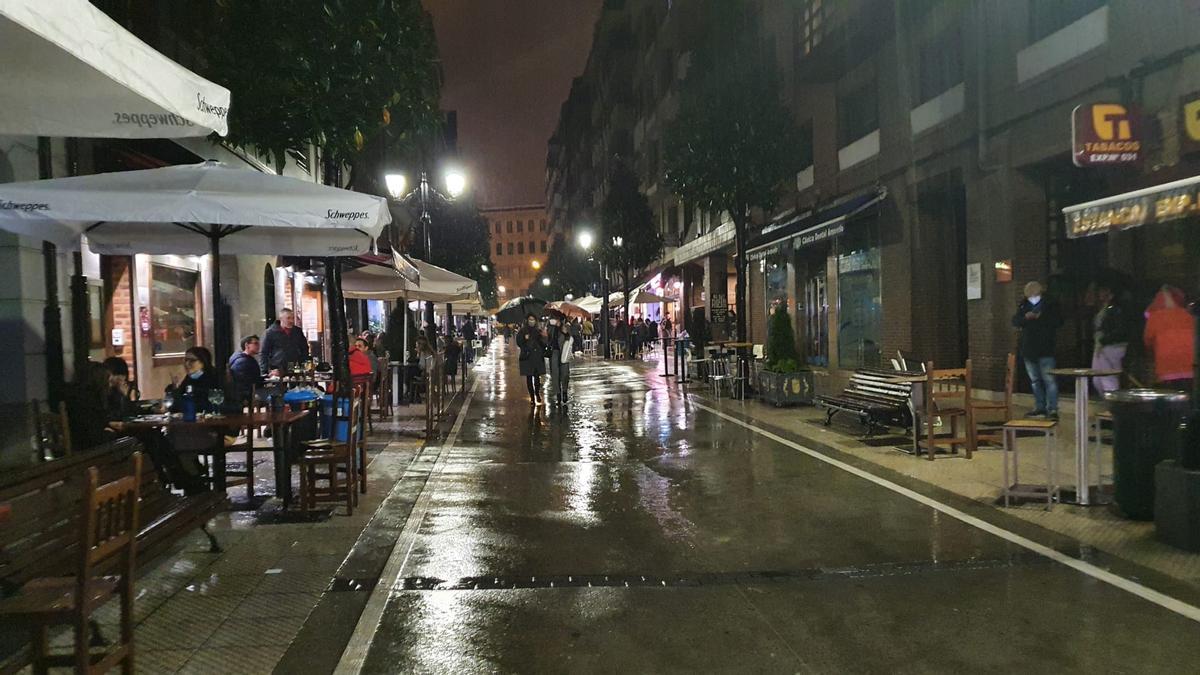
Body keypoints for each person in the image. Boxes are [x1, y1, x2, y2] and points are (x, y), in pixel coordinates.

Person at [1012, 280, 1061, 419]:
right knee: (1035, 380)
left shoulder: (1051, 305)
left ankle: (1052, 408)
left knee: (1049, 380)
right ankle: (1040, 406)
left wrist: (1041, 318)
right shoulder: (1024, 305)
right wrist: (1026, 318)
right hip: (1029, 348)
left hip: (1046, 348)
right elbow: (1015, 320)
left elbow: (1058, 321)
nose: (1032, 298)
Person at [1144, 285, 1195, 392]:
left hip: (1167, 368)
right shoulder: (1189, 315)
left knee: (1171, 401)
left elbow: (1148, 340)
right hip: (1191, 367)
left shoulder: (1154, 317)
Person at [1090, 281, 1129, 395]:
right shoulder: (1105, 308)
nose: (1100, 294)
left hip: (1110, 345)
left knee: (1108, 376)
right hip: (1101, 345)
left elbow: (1119, 329)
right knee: (1097, 378)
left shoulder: (1116, 310)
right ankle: (1108, 401)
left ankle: (1112, 403)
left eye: (1103, 291)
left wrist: (1104, 340)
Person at [261, 308, 310, 375]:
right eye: (288, 318)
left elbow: (304, 348)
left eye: (292, 318)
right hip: (277, 368)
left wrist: (304, 364)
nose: (291, 321)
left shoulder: (297, 331)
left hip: (296, 367)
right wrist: (265, 371)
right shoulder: (270, 332)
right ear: (281, 318)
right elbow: (264, 352)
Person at [516, 315, 548, 405]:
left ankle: (537, 393)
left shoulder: (539, 330)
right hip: (527, 356)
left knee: (537, 377)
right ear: (527, 320)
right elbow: (518, 342)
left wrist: (544, 336)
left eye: (533, 319)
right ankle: (532, 397)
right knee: (529, 378)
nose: (531, 321)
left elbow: (544, 344)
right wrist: (524, 339)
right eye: (530, 319)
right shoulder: (523, 331)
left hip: (537, 356)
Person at [228, 335, 264, 403]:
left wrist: (266, 377)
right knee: (277, 392)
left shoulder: (245, 359)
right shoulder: (243, 362)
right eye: (256, 343)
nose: (259, 346)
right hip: (247, 394)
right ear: (247, 345)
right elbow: (245, 381)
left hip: (248, 391)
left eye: (259, 344)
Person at [101, 356, 139, 420]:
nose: (121, 378)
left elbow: (132, 414)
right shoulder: (103, 391)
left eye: (123, 374)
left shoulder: (129, 388)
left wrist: (126, 396)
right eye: (116, 374)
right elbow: (113, 415)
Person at [549, 320, 574, 405]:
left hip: (564, 352)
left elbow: (570, 338)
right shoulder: (550, 325)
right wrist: (555, 327)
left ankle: (564, 392)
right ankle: (558, 395)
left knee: (565, 374)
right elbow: (548, 338)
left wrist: (565, 332)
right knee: (555, 374)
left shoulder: (566, 325)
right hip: (554, 352)